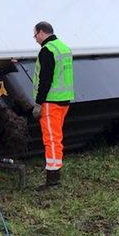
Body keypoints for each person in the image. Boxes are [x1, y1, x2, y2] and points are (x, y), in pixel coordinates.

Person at [32, 21, 74, 188]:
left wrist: (38, 103)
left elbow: (45, 79)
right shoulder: (64, 47)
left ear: (42, 32)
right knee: (56, 137)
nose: (35, 39)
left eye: (35, 36)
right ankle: (54, 175)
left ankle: (53, 179)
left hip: (51, 102)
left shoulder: (47, 50)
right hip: (64, 100)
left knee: (51, 139)